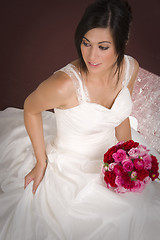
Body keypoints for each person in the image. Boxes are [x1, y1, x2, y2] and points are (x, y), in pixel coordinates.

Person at [0, 0, 160, 239]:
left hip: (111, 153)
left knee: (143, 207)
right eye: (86, 43)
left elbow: (119, 114)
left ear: (122, 43)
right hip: (69, 166)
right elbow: (30, 107)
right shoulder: (65, 85)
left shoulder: (130, 67)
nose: (91, 56)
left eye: (103, 47)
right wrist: (41, 162)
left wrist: (127, 153)